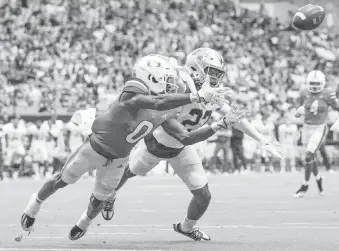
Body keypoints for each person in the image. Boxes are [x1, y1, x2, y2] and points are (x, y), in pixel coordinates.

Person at [20, 54, 226, 241]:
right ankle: (34, 206)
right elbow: (156, 101)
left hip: (119, 159)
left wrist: (220, 124)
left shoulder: (166, 112)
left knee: (100, 198)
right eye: (166, 80)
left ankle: (83, 222)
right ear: (151, 77)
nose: (171, 85)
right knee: (62, 180)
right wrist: (195, 96)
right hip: (94, 148)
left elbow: (185, 136)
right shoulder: (133, 94)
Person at [100, 49, 283, 241]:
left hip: (183, 147)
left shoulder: (210, 92)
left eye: (217, 73)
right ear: (196, 69)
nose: (215, 77)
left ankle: (185, 227)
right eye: (211, 71)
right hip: (157, 143)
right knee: (129, 171)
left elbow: (233, 116)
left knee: (204, 196)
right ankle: (110, 194)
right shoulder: (179, 83)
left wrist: (262, 139)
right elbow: (161, 91)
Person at [294, 70, 339, 198]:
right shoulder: (304, 92)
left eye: (317, 83)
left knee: (309, 154)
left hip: (319, 128)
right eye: (312, 83)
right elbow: (298, 108)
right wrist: (298, 112)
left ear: (322, 83)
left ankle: (304, 186)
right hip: (306, 127)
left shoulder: (327, 93)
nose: (315, 86)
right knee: (310, 157)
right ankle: (319, 179)